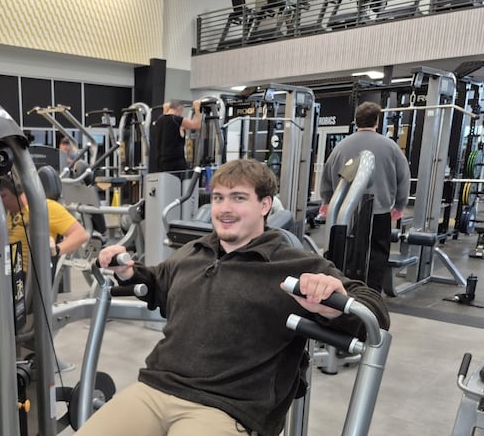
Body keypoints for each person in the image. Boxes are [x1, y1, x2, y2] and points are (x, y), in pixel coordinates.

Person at [76, 159, 390, 436]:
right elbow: (158, 283)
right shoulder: (194, 251)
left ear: (265, 205)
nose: (225, 209)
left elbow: (373, 314)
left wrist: (333, 305)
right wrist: (128, 272)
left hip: (227, 408)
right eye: (218, 198)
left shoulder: (295, 265)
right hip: (155, 389)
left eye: (238, 198)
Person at [319, 101, 411, 292]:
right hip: (379, 212)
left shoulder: (340, 147)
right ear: (377, 121)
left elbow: (326, 176)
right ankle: (372, 295)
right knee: (377, 255)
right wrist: (399, 207)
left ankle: (343, 291)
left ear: (356, 121)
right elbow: (404, 179)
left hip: (346, 213)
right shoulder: (391, 147)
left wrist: (327, 201)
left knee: (344, 253)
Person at [0, 175, 89, 274]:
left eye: (3, 196)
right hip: (11, 273)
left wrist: (57, 250)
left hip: (33, 277)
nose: (1, 201)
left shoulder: (44, 208)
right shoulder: (9, 214)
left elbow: (81, 235)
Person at [149, 99, 203, 174]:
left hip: (162, 164)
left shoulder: (160, 120)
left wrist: (165, 109)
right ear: (179, 109)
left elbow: (167, 120)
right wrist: (197, 109)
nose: (181, 114)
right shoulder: (177, 120)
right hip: (176, 166)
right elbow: (197, 125)